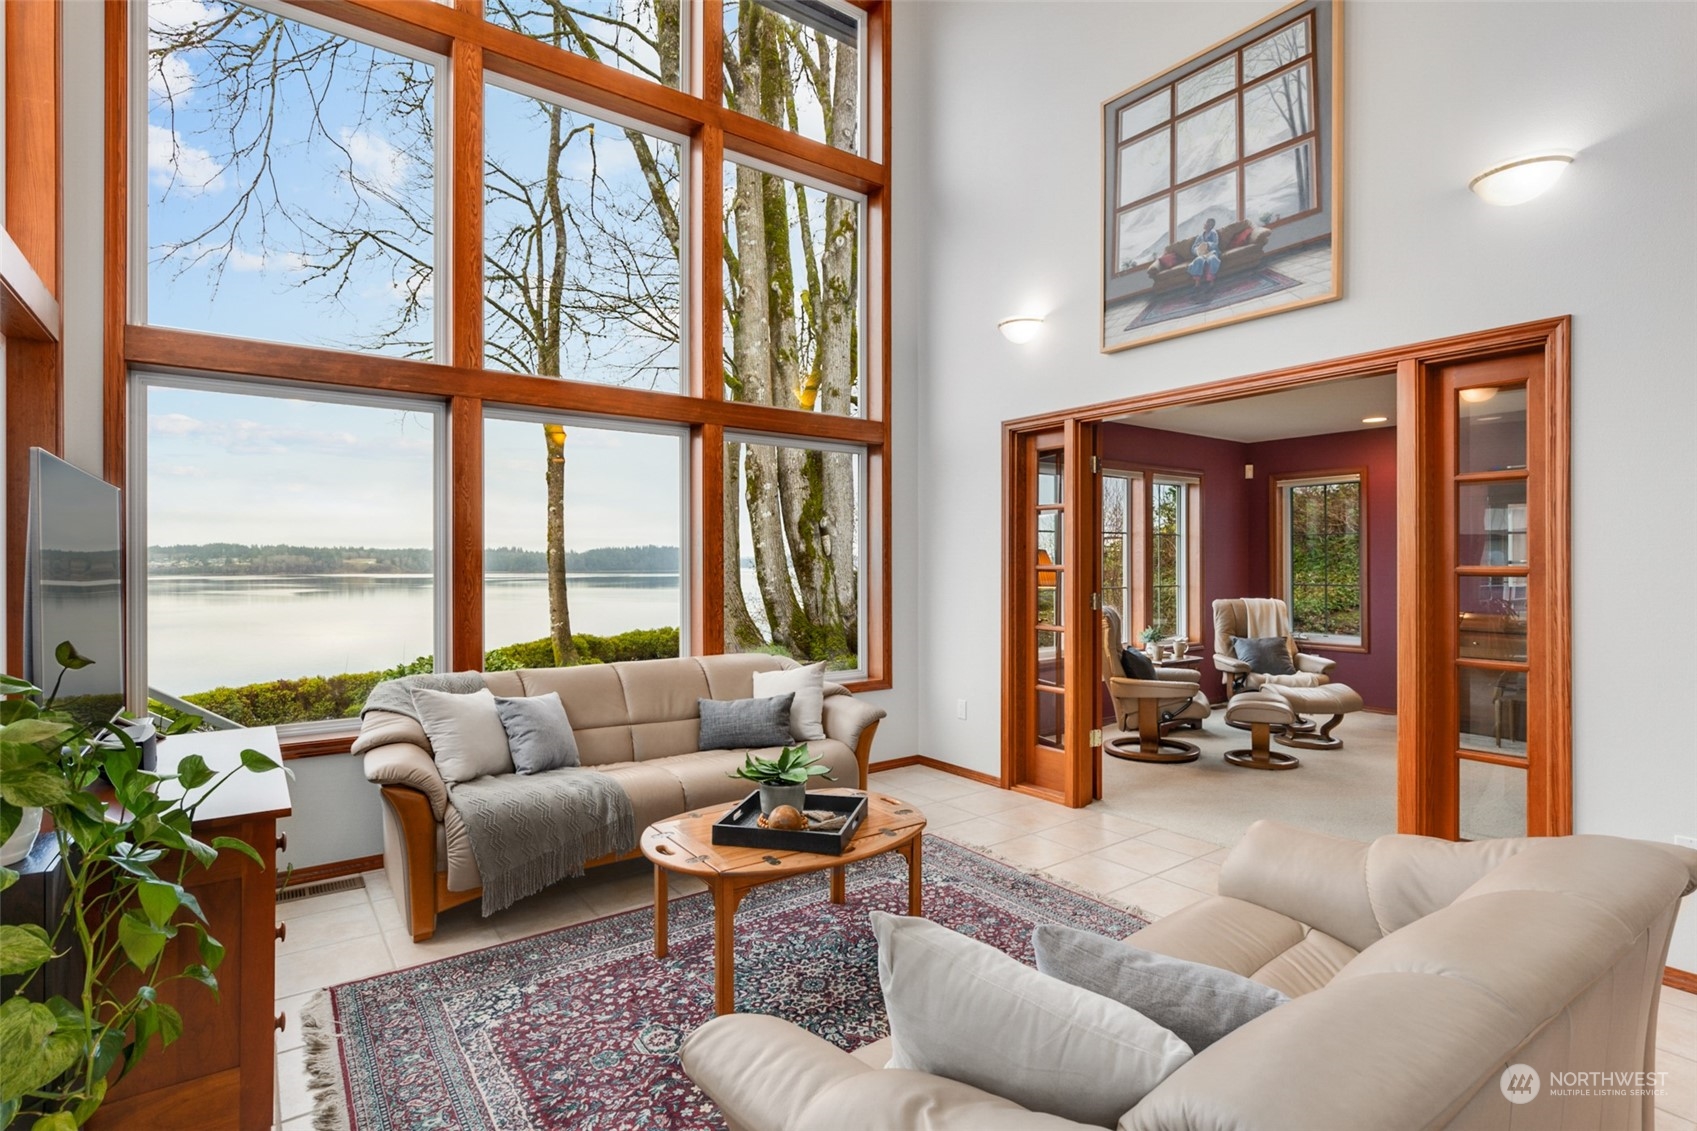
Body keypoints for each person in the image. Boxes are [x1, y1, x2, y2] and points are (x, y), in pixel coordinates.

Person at [1187, 217, 1221, 291]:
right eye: (1206, 222)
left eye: (1208, 223)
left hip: (1211, 252)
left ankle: (1211, 282)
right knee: (1198, 260)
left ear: (1211, 226)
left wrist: (1208, 245)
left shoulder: (1213, 233)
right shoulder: (1200, 236)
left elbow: (1215, 244)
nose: (1206, 224)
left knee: (1212, 259)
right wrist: (1198, 250)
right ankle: (1197, 283)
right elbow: (1193, 247)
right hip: (1202, 254)